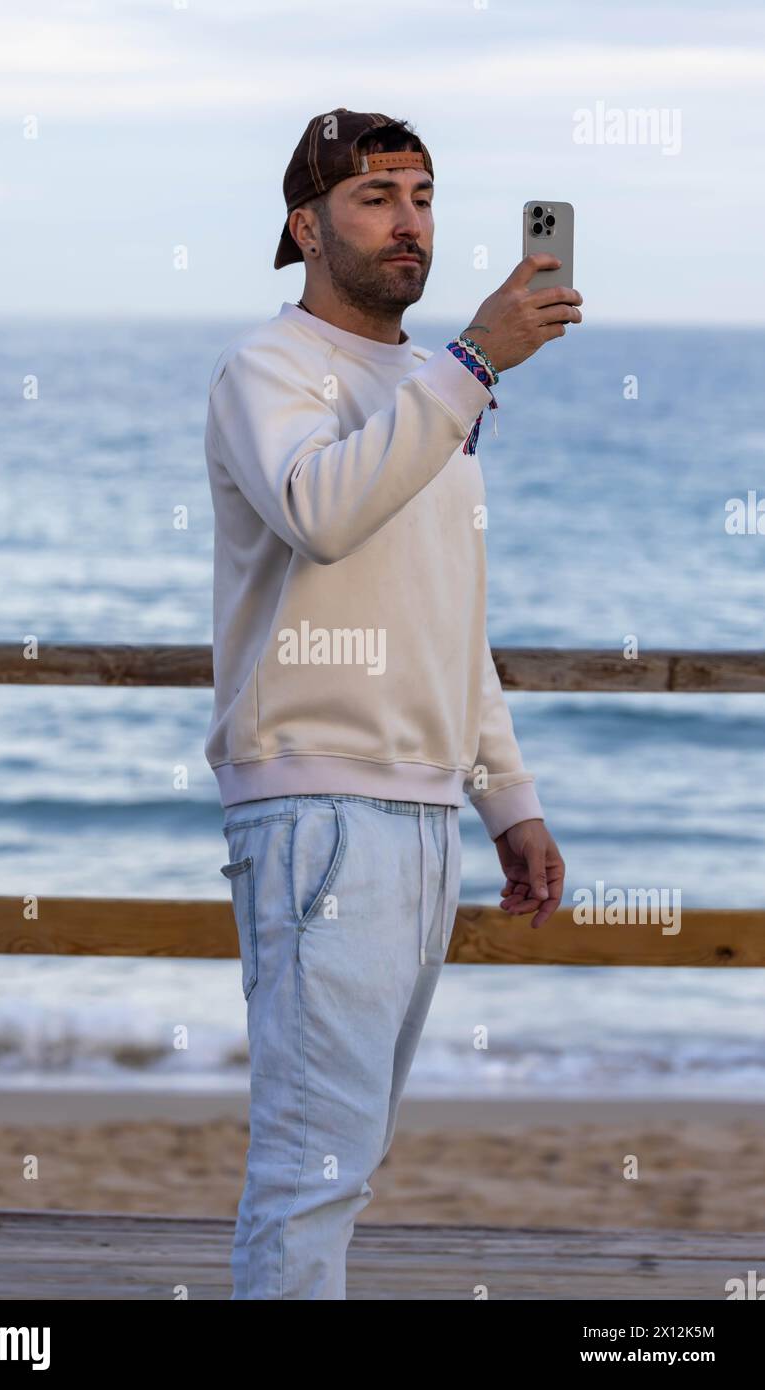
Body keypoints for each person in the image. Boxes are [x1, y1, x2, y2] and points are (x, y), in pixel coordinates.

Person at [204, 108, 579, 1299]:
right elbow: (320, 509)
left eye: (420, 194)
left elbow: (445, 616)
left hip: (417, 821)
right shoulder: (268, 369)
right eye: (374, 197)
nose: (406, 220)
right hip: (317, 807)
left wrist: (504, 798)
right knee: (310, 1171)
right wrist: (467, 363)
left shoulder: (435, 392)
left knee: (347, 1162)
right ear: (304, 227)